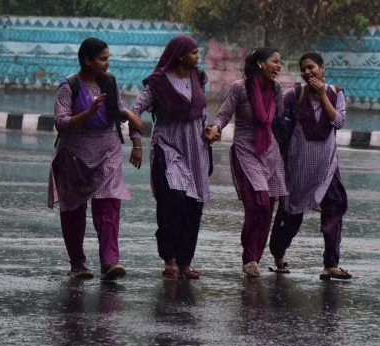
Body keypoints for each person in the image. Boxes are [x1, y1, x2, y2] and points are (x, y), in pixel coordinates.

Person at [48, 37, 144, 280]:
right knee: (73, 209)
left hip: (108, 148)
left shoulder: (109, 83)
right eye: (103, 59)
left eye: (108, 59)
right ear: (87, 60)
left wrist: (131, 124)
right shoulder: (69, 87)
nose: (107, 64)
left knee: (110, 201)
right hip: (75, 154)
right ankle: (77, 263)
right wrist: (88, 112)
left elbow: (118, 108)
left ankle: (109, 261)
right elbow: (61, 122)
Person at [130, 35, 215, 280]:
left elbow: (202, 112)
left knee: (193, 205)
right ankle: (170, 258)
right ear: (179, 55)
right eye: (193, 53)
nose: (197, 57)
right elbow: (135, 111)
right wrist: (137, 143)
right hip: (169, 146)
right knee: (172, 200)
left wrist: (209, 131)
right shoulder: (158, 83)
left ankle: (186, 261)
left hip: (196, 149)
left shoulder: (198, 78)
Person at [268, 52, 352, 280]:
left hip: (327, 168)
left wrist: (323, 95)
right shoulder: (294, 95)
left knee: (334, 208)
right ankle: (278, 255)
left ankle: (331, 265)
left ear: (322, 68)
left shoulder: (336, 93)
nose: (307, 72)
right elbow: (275, 121)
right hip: (298, 167)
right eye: (303, 69)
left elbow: (338, 121)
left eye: (311, 67)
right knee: (290, 215)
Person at [211, 47, 286, 277]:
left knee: (268, 208)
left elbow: (280, 119)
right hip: (246, 149)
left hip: (270, 151)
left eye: (279, 62)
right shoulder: (239, 88)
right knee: (258, 202)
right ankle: (249, 255)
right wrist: (215, 129)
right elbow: (224, 114)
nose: (279, 66)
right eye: (275, 62)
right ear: (261, 64)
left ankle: (254, 258)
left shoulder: (275, 89)